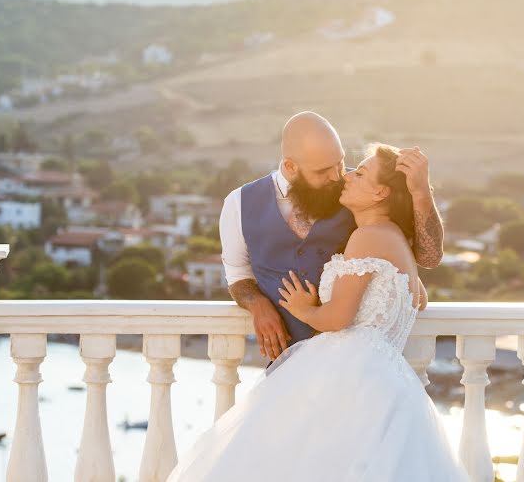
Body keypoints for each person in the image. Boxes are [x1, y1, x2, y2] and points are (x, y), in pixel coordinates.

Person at [166, 144, 468, 481]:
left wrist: (303, 309)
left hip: (349, 372)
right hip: (384, 377)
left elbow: (338, 319)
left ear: (381, 192)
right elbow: (418, 298)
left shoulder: (367, 237)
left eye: (360, 172)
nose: (348, 176)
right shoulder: (393, 238)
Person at [219, 111, 444, 362]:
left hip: (346, 366)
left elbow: (426, 259)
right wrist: (257, 305)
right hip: (287, 365)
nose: (338, 176)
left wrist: (421, 193)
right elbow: (238, 275)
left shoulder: (358, 192)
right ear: (290, 166)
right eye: (324, 170)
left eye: (341, 162)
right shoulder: (238, 204)